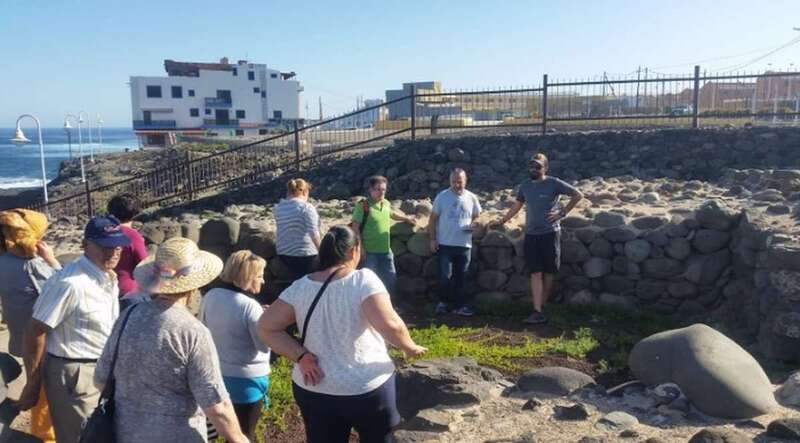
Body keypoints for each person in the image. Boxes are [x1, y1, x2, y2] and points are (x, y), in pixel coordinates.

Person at [257, 225, 427, 443]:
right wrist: (409, 347)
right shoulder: (362, 280)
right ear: (353, 251)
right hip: (365, 388)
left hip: (313, 387)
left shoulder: (301, 286)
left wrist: (300, 356)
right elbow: (391, 325)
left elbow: (266, 326)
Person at [94, 237, 249, 443]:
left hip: (124, 432)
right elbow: (216, 405)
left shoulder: (128, 316)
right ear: (194, 289)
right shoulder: (192, 331)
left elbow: (100, 378)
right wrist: (239, 439)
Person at [17, 215, 130, 443]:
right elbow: (35, 330)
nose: (113, 252)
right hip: (76, 373)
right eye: (105, 246)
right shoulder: (70, 283)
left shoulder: (107, 277)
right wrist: (33, 383)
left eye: (117, 246)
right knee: (81, 438)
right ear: (85, 245)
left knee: (102, 434)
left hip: (101, 367)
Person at [492, 153, 583, 325]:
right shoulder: (525, 186)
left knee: (549, 272)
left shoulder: (554, 183)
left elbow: (578, 195)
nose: (533, 169)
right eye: (531, 166)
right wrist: (502, 221)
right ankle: (537, 310)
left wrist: (561, 213)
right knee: (535, 273)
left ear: (546, 168)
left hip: (550, 233)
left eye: (538, 166)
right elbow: (517, 206)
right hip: (532, 235)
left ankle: (543, 305)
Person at [0, 209, 60, 443]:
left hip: (20, 336)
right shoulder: (33, 265)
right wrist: (52, 260)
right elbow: (64, 289)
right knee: (45, 389)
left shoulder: (3, 260)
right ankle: (45, 435)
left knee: (33, 379)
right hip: (44, 340)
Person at [200, 250, 270, 442]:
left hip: (217, 375)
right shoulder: (249, 305)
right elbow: (263, 346)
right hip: (246, 380)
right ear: (247, 276)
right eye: (259, 276)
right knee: (245, 434)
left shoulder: (210, 295)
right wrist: (266, 321)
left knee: (218, 431)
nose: (262, 281)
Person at [428, 169, 482, 317]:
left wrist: (474, 224)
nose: (456, 185)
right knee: (445, 276)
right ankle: (442, 304)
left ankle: (460, 306)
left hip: (464, 245)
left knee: (462, 277)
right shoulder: (442, 197)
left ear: (465, 181)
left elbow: (477, 216)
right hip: (445, 243)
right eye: (454, 182)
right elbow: (432, 219)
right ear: (449, 181)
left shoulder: (472, 197)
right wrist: (432, 239)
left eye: (459, 182)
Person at [351, 175, 415, 297]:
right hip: (369, 253)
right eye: (378, 189)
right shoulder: (363, 206)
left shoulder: (385, 203)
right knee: (368, 283)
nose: (381, 192)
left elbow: (391, 213)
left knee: (390, 280)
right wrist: (361, 248)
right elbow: (355, 228)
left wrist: (406, 218)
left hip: (386, 250)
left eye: (384, 189)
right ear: (370, 190)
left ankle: (391, 306)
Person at [274, 178, 321, 296]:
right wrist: (322, 251)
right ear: (305, 192)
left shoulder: (278, 208)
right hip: (305, 254)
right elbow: (313, 233)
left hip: (283, 253)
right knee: (308, 288)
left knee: (291, 288)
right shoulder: (306, 208)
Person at [107, 194, 148, 297]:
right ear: (135, 213)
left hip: (105, 289)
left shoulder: (104, 232)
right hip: (128, 290)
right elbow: (144, 264)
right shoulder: (132, 235)